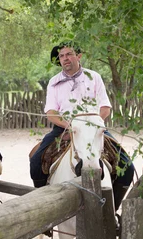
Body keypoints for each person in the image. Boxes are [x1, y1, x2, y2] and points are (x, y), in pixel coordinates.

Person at [29, 42, 135, 212]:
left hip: (93, 127)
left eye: (69, 54)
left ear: (78, 56)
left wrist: (92, 125)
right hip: (64, 127)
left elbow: (105, 108)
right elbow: (50, 112)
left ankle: (111, 212)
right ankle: (45, 212)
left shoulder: (94, 77)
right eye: (62, 56)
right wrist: (68, 125)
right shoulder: (54, 82)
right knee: (35, 163)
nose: (65, 59)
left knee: (127, 167)